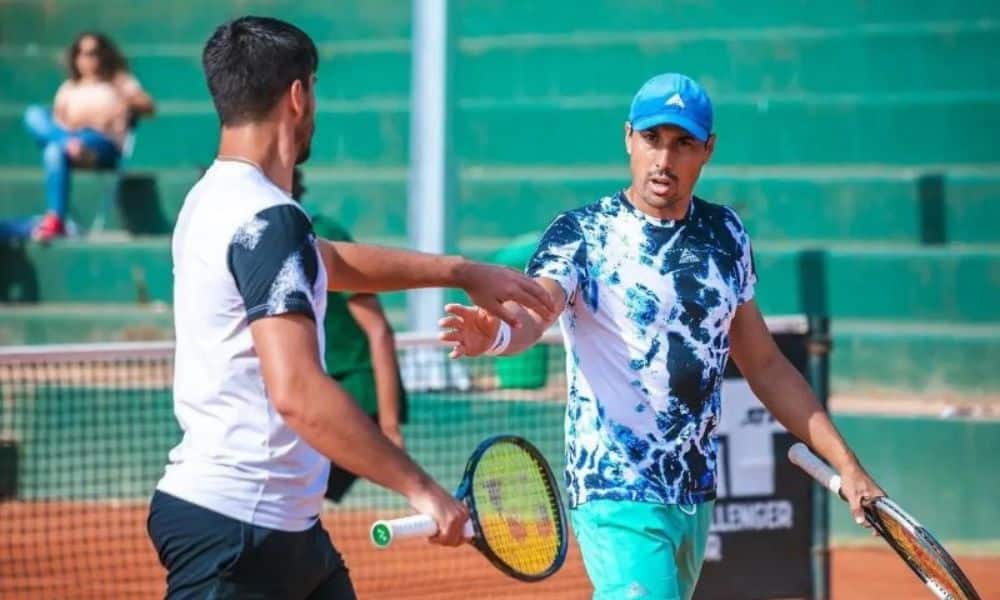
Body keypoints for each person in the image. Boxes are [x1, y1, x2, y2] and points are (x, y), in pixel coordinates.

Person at [146, 17, 554, 599]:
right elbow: (297, 392)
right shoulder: (266, 217)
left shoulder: (216, 202)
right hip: (239, 535)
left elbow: (330, 261)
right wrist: (422, 489)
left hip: (284, 531)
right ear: (297, 95)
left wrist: (463, 271)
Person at [438, 73, 885, 600]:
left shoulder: (725, 235)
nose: (663, 161)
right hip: (614, 489)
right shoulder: (583, 233)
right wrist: (494, 333)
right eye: (651, 139)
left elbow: (765, 364)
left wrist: (848, 467)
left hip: (694, 494)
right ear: (628, 137)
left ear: (707, 150)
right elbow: (537, 308)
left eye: (683, 144)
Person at [291, 168, 408, 502]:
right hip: (328, 389)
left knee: (296, 490)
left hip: (358, 392)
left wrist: (388, 427)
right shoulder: (274, 240)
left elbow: (379, 331)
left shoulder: (323, 235)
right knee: (296, 492)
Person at [23, 32, 155, 241]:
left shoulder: (118, 81)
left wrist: (123, 104)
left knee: (55, 148)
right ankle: (56, 219)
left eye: (94, 52)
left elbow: (148, 106)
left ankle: (56, 214)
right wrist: (68, 138)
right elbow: (56, 122)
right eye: (82, 53)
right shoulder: (68, 88)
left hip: (103, 144)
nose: (89, 58)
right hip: (70, 144)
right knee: (35, 118)